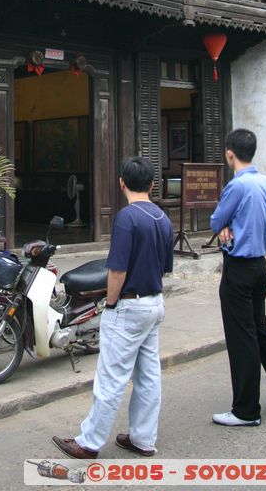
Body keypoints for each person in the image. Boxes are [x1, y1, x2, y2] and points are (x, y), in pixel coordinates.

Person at [52, 156, 174, 459]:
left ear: (121, 183)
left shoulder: (127, 218)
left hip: (129, 306)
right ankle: (143, 438)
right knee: (148, 376)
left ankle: (89, 442)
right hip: (154, 303)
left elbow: (116, 271)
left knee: (111, 377)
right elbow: (166, 267)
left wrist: (110, 302)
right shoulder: (163, 218)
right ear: (152, 184)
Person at [210, 129, 266, 427]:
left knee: (242, 339)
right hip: (260, 268)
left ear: (230, 154)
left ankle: (246, 410)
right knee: (261, 332)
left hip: (238, 269)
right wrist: (228, 226)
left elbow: (215, 220)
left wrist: (225, 226)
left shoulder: (237, 186)